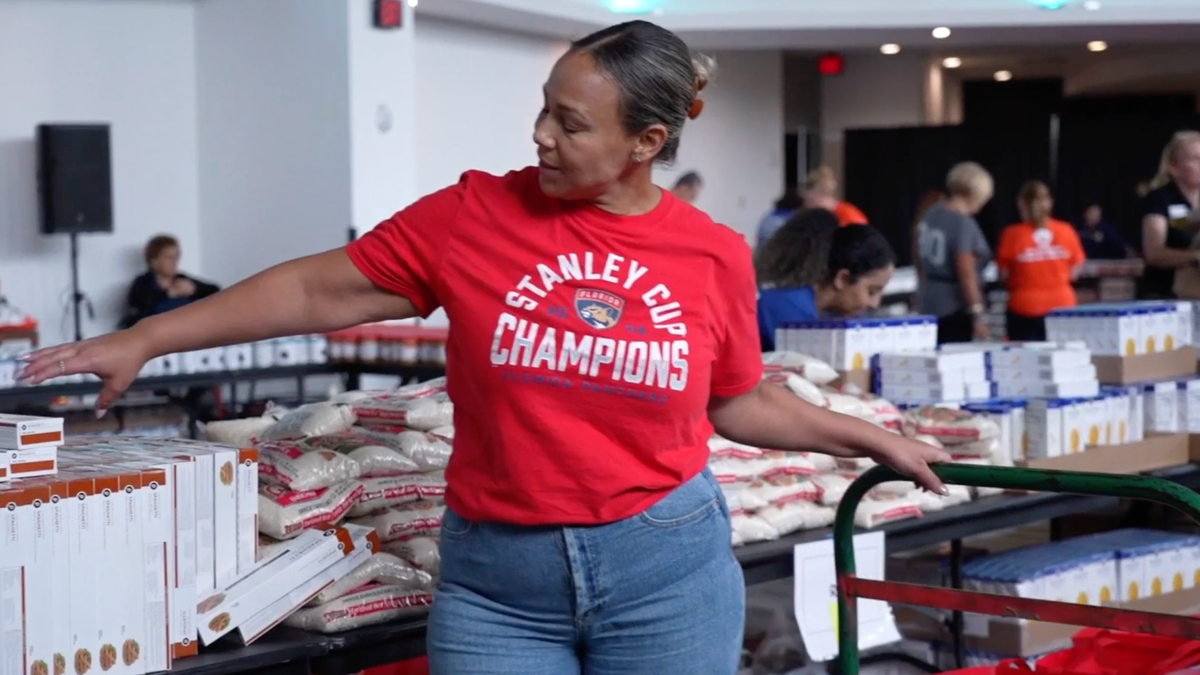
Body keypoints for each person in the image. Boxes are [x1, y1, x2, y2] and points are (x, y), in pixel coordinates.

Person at [21, 20, 947, 675]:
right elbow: (316, 287)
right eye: (545, 108)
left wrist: (869, 437)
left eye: (571, 123)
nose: (541, 133)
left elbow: (738, 400)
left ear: (646, 142)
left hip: (664, 568)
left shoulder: (706, 252)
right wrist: (148, 336)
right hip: (501, 582)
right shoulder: (474, 216)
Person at [755, 209, 895, 350]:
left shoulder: (799, 302)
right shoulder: (792, 314)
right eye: (871, 292)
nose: (875, 304)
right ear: (842, 279)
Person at [914, 162, 995, 344]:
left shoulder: (930, 214)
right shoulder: (962, 224)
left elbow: (919, 258)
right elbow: (966, 272)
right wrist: (977, 312)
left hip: (928, 300)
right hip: (953, 307)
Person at [996, 181, 1086, 342]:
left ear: (1021, 204)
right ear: (1049, 203)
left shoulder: (1011, 234)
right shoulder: (1066, 230)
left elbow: (1003, 274)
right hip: (1062, 305)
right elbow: (1075, 272)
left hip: (1024, 306)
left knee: (1022, 361)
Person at [1139, 130, 1200, 299]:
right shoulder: (1160, 199)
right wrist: (1195, 258)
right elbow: (1153, 253)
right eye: (1195, 159)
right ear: (1174, 168)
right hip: (1162, 295)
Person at [122, 235, 219, 328]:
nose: (174, 262)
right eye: (169, 258)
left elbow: (215, 290)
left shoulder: (182, 279)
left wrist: (195, 289)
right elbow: (139, 307)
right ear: (154, 261)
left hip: (186, 330)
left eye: (176, 257)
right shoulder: (143, 282)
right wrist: (170, 294)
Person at [803, 166, 868, 227]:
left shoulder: (850, 217)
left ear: (823, 195)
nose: (807, 205)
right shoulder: (810, 219)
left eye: (810, 200)